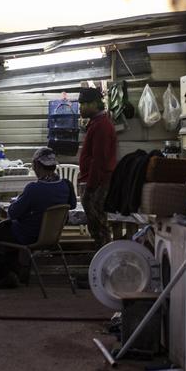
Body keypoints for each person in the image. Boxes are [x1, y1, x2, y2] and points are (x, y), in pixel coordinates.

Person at [0, 147, 76, 288]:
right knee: (2, 231)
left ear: (36, 166)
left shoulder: (34, 189)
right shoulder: (66, 185)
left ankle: (3, 273)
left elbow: (13, 212)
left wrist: (18, 203)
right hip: (51, 236)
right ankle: (12, 271)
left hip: (24, 235)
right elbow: (71, 205)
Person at [77, 86, 117, 250]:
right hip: (95, 180)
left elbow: (99, 159)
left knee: (99, 224)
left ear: (94, 103)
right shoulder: (97, 123)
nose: (81, 108)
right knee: (97, 224)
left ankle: (104, 258)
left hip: (98, 182)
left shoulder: (101, 126)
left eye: (84, 104)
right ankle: (102, 257)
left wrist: (91, 185)